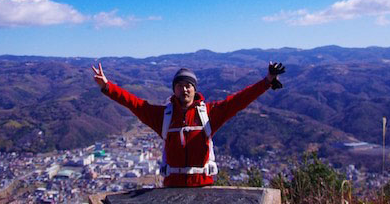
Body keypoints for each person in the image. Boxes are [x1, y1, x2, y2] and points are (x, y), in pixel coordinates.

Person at [91, 62, 285, 187]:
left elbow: (239, 100)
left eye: (188, 85)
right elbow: (134, 104)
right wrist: (108, 87)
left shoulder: (209, 114)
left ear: (194, 89)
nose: (184, 89)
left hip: (203, 186)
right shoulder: (163, 117)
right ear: (174, 89)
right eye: (179, 85)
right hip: (172, 188)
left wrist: (267, 81)